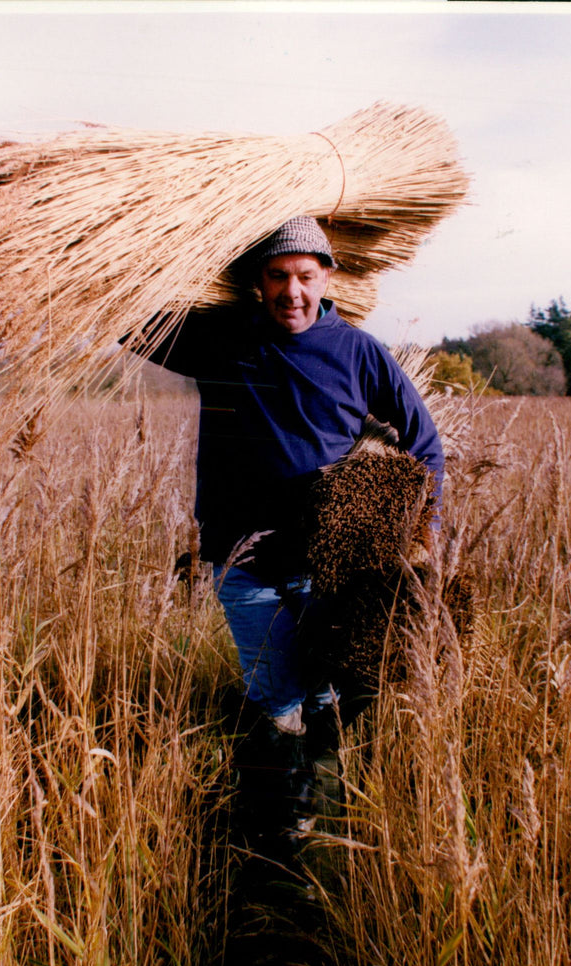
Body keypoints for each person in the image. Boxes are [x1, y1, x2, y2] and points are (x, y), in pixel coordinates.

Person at [124, 216, 444, 867]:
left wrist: (419, 530)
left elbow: (425, 443)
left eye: (304, 276)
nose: (291, 292)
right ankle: (280, 831)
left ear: (328, 276)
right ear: (257, 283)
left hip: (329, 563)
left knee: (323, 688)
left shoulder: (357, 352)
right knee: (277, 692)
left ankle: (320, 794)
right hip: (244, 559)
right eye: (277, 276)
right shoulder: (222, 340)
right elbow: (131, 322)